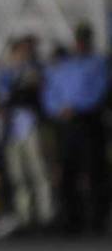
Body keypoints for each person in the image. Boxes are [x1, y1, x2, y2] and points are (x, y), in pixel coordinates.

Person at [43, 22, 111, 234]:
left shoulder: (98, 63)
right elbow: (50, 92)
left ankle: (97, 219)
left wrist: (76, 107)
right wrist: (57, 109)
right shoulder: (63, 66)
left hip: (87, 121)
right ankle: (70, 219)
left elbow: (99, 91)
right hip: (65, 124)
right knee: (66, 171)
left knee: (94, 170)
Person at [0, 34, 53, 233]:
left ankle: (45, 215)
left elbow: (37, 90)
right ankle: (24, 215)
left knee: (38, 171)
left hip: (30, 125)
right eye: (19, 51)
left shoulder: (34, 69)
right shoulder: (5, 72)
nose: (23, 55)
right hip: (12, 129)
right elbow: (2, 97)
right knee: (17, 174)